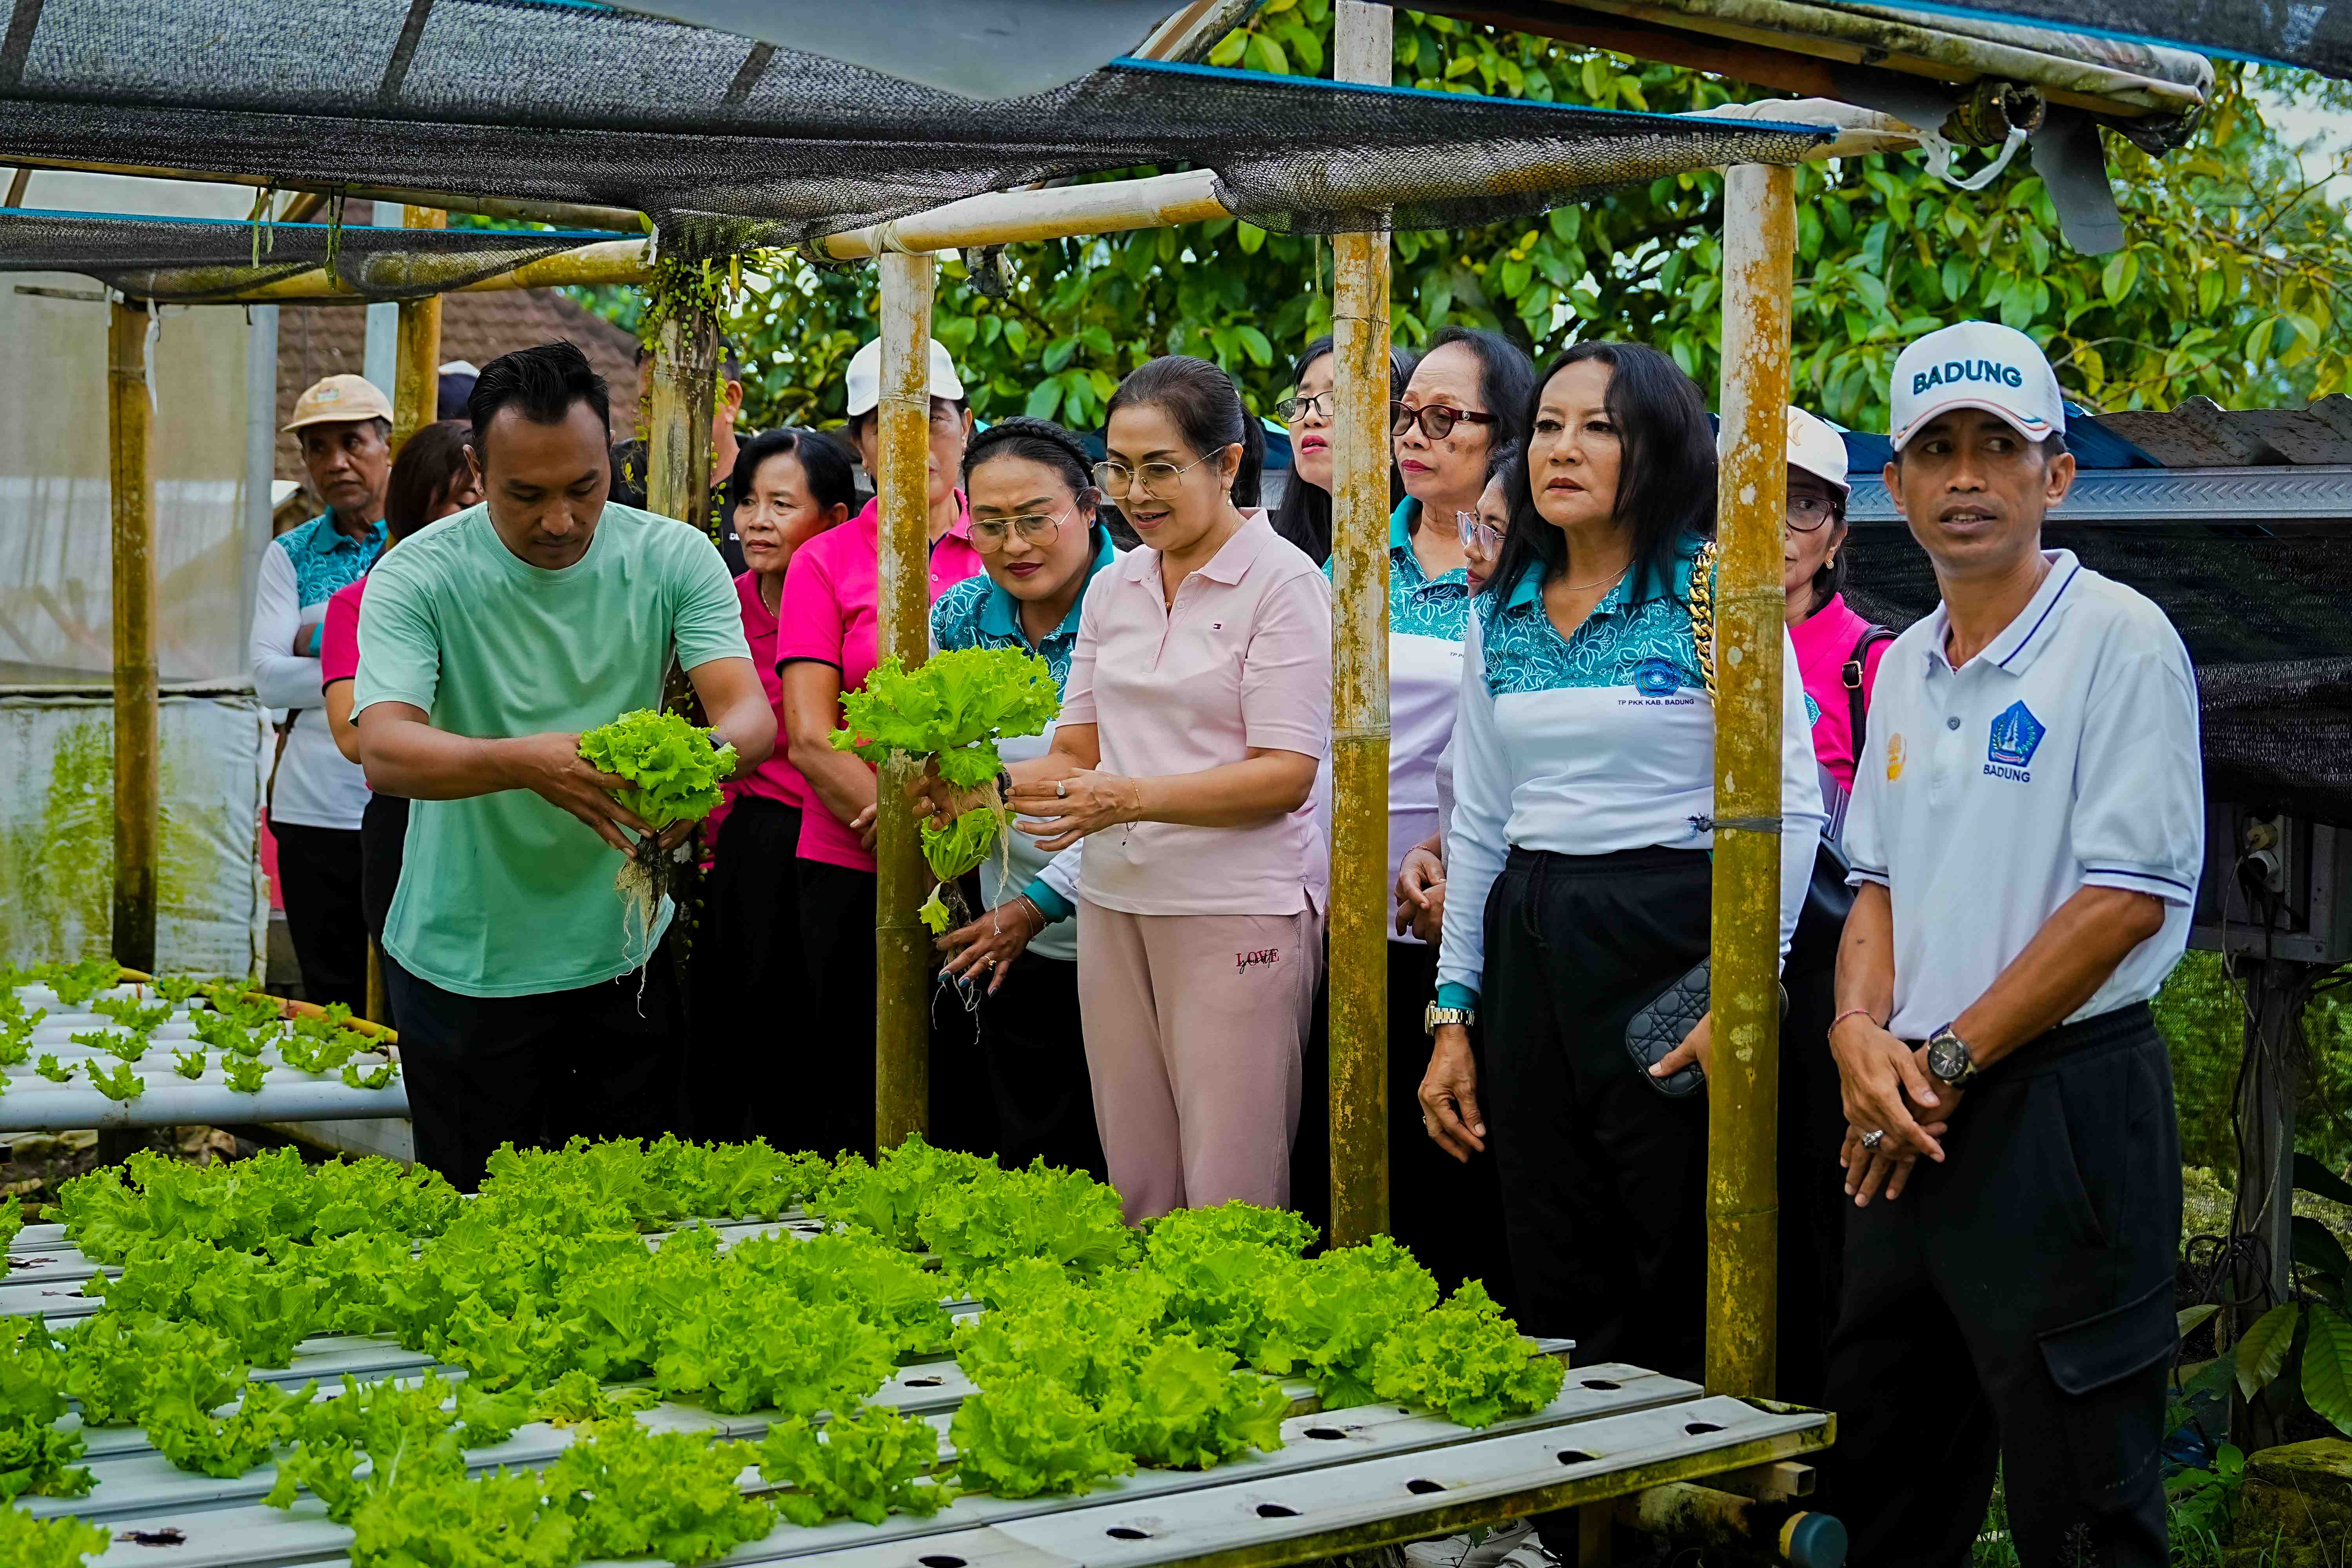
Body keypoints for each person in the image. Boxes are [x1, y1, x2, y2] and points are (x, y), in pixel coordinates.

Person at [1821, 322, 2201, 1568]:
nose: (1967, 477)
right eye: (1936, 450)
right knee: (1883, 1473)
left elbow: (2123, 899)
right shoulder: (1900, 664)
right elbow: (1874, 882)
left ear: (2057, 475)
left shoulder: (2119, 639)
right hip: (1905, 1111)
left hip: (2058, 1109)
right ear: (1895, 486)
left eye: (1999, 446)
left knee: (2081, 1500)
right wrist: (1855, 1033)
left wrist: (1944, 1058)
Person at [1421, 342, 1824, 1390]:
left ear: (1657, 447)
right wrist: (1454, 1010)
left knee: (1678, 1230)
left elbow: (1789, 801)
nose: (1561, 449)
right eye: (1547, 426)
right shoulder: (1500, 604)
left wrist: (1742, 984)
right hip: (1530, 933)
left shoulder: (1714, 588)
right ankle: (1576, 1467)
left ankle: (1700, 1467)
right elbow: (1479, 822)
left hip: (1671, 933)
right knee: (1549, 1228)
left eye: (1598, 427)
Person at [353, 342, 773, 1189]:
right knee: (477, 1220)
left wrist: (696, 770)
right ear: (477, 470)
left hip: (622, 950)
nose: (560, 520)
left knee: (626, 1216)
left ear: (610, 456)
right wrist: (525, 761)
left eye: (585, 488)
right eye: (526, 495)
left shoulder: (674, 556)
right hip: (464, 958)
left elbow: (749, 717)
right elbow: (385, 748)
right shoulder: (418, 573)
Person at [971, 356, 1331, 1222]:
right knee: (1137, 1176)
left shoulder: (1286, 583)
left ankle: (1233, 1314)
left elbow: (1285, 775)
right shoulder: (1116, 584)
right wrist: (982, 788)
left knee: (1230, 1183)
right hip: (1115, 900)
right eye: (1120, 468)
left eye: (1160, 468)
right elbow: (1075, 752)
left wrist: (1128, 799)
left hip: (1236, 905)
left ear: (1228, 462)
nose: (1135, 493)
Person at [776, 334, 982, 1159]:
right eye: (884, 423)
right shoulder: (823, 561)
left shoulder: (1007, 544)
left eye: (934, 417)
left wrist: (959, 839)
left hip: (989, 864)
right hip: (849, 857)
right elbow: (807, 733)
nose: (913, 440)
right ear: (860, 447)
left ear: (966, 427)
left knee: (973, 1090)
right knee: (853, 1085)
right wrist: (908, 831)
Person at [1363, 329, 1535, 1301]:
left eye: (1442, 418)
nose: (1412, 437)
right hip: (1352, 906)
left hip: (1479, 913)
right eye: (1404, 416)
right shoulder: (1354, 552)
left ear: (1504, 432)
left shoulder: (1531, 575)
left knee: (1473, 1165)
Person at [928, 418, 1119, 1180]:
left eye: (1037, 519)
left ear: (1089, 508)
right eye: (991, 523)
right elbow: (954, 763)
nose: (1014, 544)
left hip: (1128, 919)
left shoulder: (1140, 603)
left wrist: (1039, 901)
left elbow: (1131, 782)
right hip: (1007, 930)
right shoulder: (959, 614)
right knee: (1029, 1149)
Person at [1773, 404, 1894, 1402]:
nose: (1773, 527)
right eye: (1745, 501)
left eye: (1800, 506)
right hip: (1686, 962)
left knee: (1816, 1216)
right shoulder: (1666, 646)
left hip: (1825, 978)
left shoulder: (1871, 664)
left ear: (1836, 534)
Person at [692, 427, 857, 1144]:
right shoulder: (721, 608)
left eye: (782, 504)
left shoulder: (862, 606)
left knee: (830, 1033)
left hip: (844, 837)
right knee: (747, 1033)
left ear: (836, 517)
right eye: (748, 501)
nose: (757, 521)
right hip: (755, 844)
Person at [318, 420, 483, 998]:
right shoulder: (360, 603)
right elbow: (353, 736)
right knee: (420, 999)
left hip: (505, 811)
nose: (484, 517)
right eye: (465, 502)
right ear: (417, 504)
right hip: (410, 815)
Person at [254, 374, 394, 1013]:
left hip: (409, 798)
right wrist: (384, 670)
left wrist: (317, 640)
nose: (336, 461)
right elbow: (267, 678)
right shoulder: (289, 554)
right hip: (312, 806)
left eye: (352, 442)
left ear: (387, 445)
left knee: (408, 990)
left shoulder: (421, 542)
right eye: (318, 447)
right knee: (330, 995)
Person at [1269, 333, 1415, 564]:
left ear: (1394, 427)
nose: (1310, 417)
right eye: (1302, 400)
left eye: (1338, 398)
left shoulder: (1427, 547)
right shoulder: (1279, 552)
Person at [609, 341, 754, 571]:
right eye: (649, 403)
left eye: (681, 400)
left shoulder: (769, 480)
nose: (661, 420)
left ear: (730, 400)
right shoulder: (617, 473)